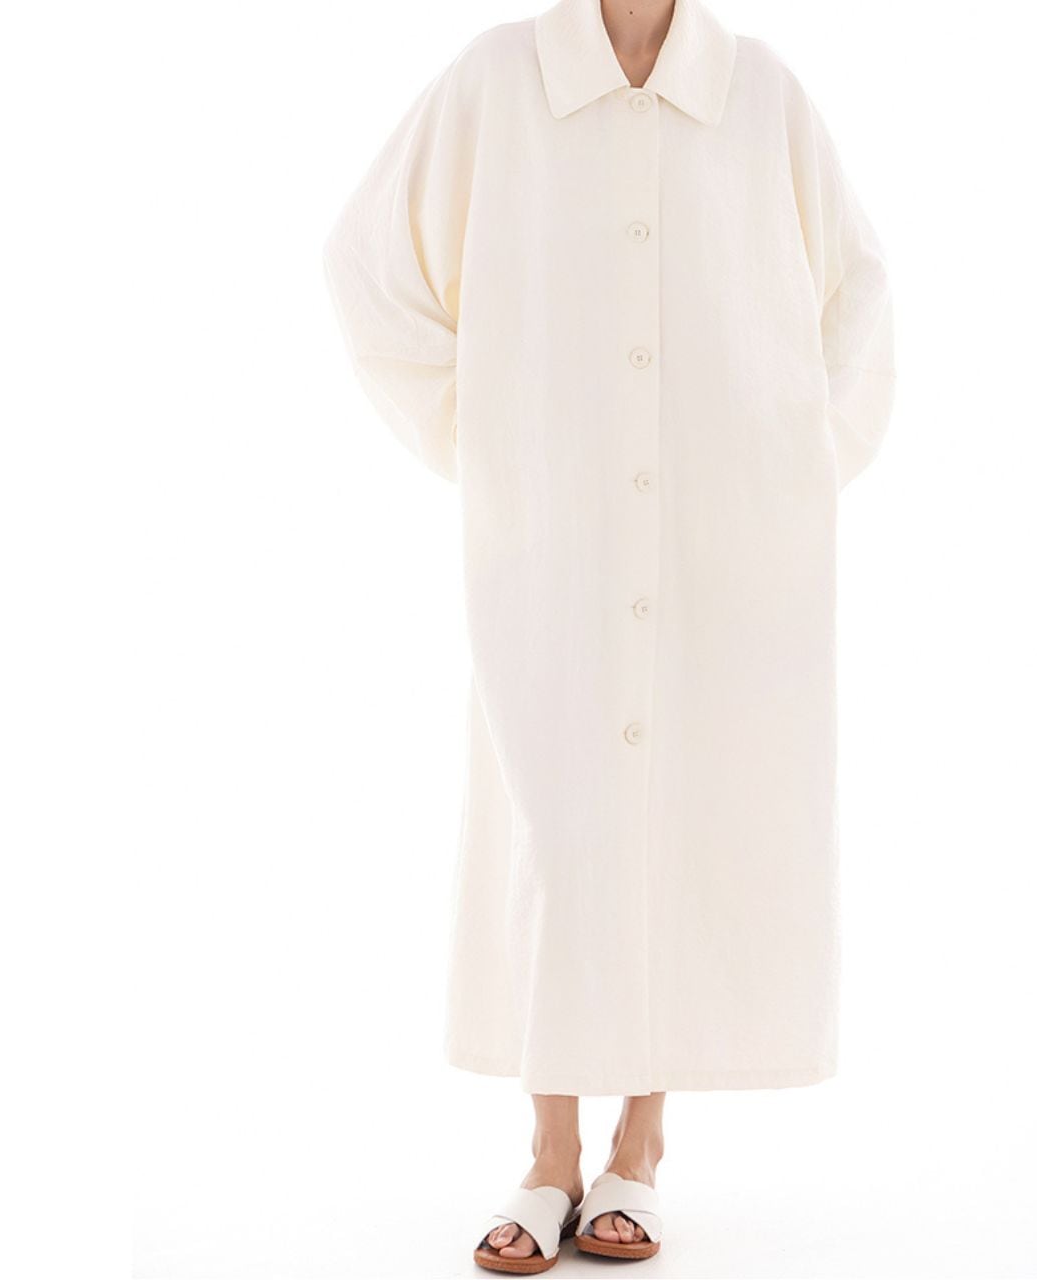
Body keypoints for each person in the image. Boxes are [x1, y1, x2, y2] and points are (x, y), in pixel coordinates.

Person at [322, 0, 894, 1269]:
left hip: (723, 533)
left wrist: (798, 459)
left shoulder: (758, 94)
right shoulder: (498, 81)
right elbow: (366, 263)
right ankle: (548, 1152)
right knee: (556, 817)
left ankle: (639, 1144)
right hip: (556, 534)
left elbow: (858, 291)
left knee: (682, 812)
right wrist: (480, 434)